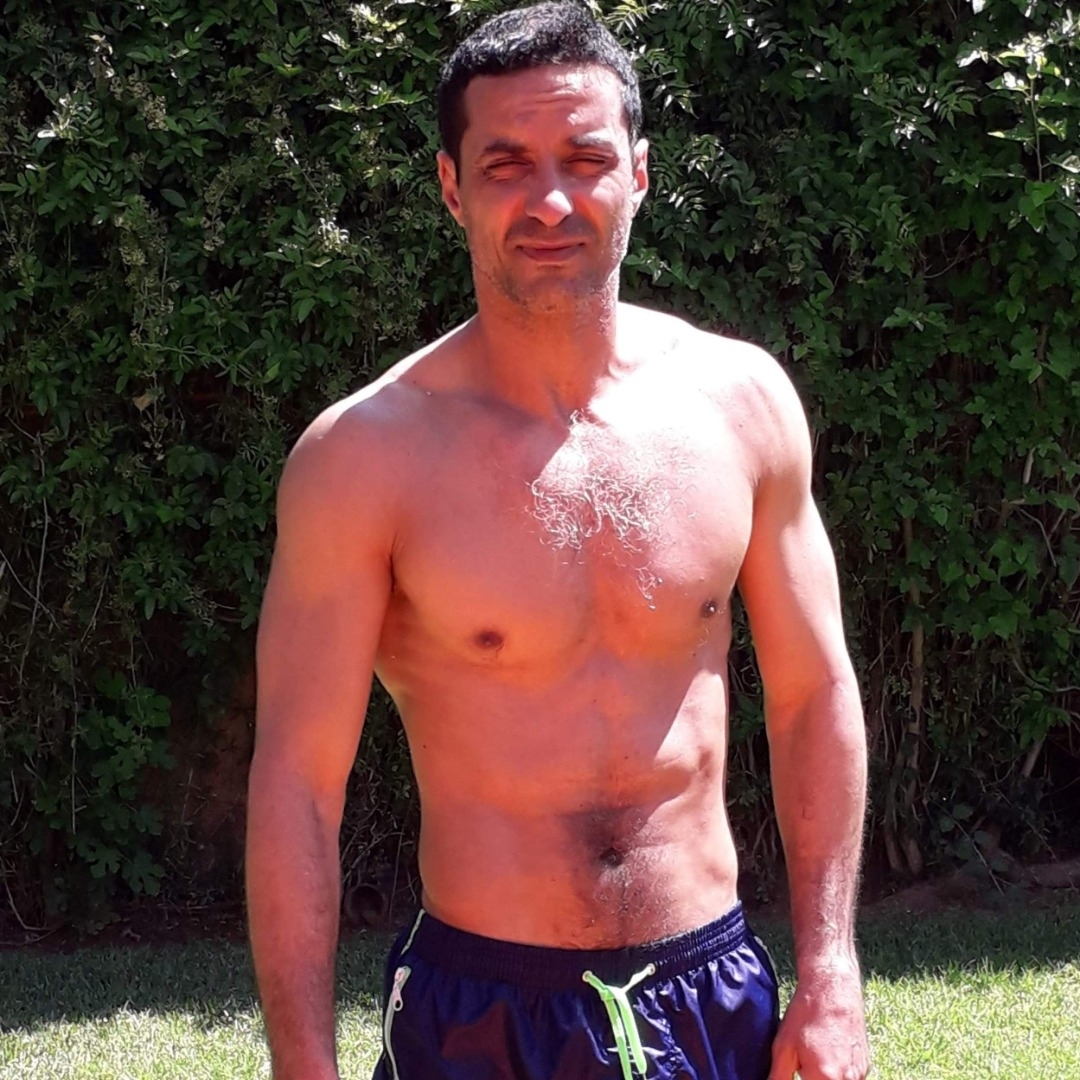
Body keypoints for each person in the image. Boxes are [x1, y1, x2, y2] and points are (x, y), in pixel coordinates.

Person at [246, 3, 870, 1079]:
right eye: (506, 165)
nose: (550, 201)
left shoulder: (742, 405)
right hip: (481, 1012)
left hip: (712, 996)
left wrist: (830, 972)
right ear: (452, 187)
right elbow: (298, 784)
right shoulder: (363, 458)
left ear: (639, 173)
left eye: (585, 160)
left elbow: (816, 694)